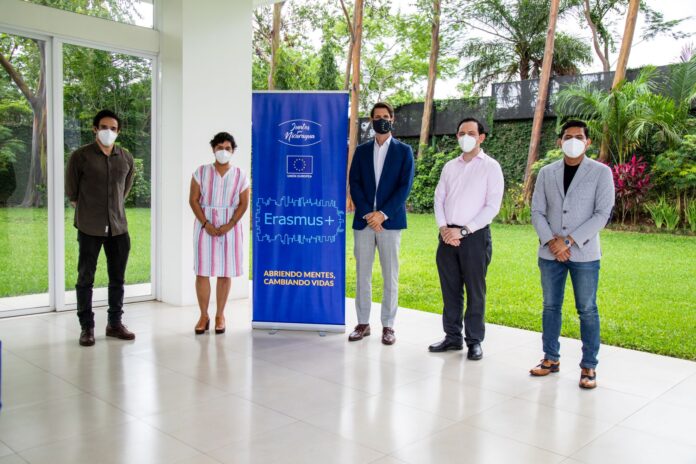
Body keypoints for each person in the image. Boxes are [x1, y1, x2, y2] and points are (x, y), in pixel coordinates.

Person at [529, 119, 614, 389]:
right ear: (560, 141)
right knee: (550, 306)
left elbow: (602, 213)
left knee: (587, 309)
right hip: (550, 252)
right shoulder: (546, 172)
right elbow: (537, 211)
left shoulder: (601, 173)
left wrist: (568, 241)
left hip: (584, 253)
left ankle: (589, 365)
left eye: (579, 137)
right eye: (568, 137)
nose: (573, 141)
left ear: (588, 142)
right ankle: (550, 358)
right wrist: (551, 241)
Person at [428, 117, 504, 360]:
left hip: (474, 237)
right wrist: (443, 228)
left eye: (471, 133)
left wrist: (463, 231)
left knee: (475, 291)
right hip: (446, 237)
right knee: (450, 290)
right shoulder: (450, 166)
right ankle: (452, 337)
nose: (465, 137)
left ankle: (474, 341)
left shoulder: (491, 167)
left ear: (481, 137)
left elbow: (492, 206)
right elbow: (439, 198)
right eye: (461, 133)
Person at [66, 109, 135, 347]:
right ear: (95, 129)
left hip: (118, 228)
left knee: (118, 278)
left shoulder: (126, 157)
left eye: (113, 128)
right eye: (104, 127)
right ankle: (87, 327)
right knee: (85, 278)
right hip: (90, 227)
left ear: (118, 131)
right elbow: (72, 193)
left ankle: (115, 324)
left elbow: (124, 190)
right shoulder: (80, 156)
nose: (108, 131)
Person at [348, 102, 415, 345]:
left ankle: (388, 325)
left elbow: (404, 187)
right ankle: (363, 323)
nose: (382, 120)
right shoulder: (362, 150)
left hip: (390, 222)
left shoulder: (404, 151)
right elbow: (354, 182)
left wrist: (382, 214)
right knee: (362, 275)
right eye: (377, 117)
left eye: (385, 116)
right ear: (371, 120)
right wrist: (369, 213)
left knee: (390, 276)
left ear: (392, 119)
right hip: (364, 222)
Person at [189, 132, 250, 335]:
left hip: (230, 227)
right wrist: (206, 223)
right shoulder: (201, 172)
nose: (223, 152)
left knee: (225, 272)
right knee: (202, 271)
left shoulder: (241, 175)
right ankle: (203, 316)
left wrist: (230, 224)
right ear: (213, 149)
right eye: (220, 148)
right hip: (204, 224)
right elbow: (193, 200)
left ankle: (220, 315)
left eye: (227, 148)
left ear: (233, 151)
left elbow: (244, 203)